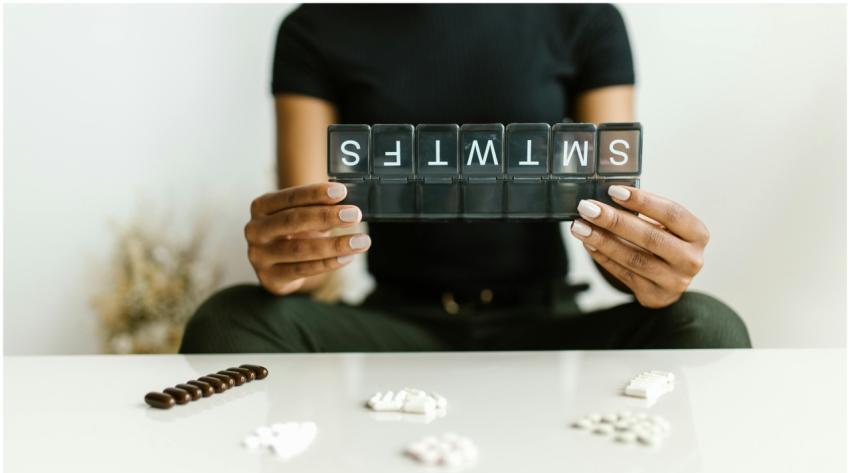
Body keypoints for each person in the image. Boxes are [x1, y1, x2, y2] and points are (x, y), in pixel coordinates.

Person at [180, 4, 751, 353]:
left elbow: (611, 218)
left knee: (707, 323)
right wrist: (283, 259)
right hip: (395, 322)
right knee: (229, 322)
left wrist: (653, 268)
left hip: (545, 319)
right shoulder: (314, 30)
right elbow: (310, 251)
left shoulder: (587, 22)